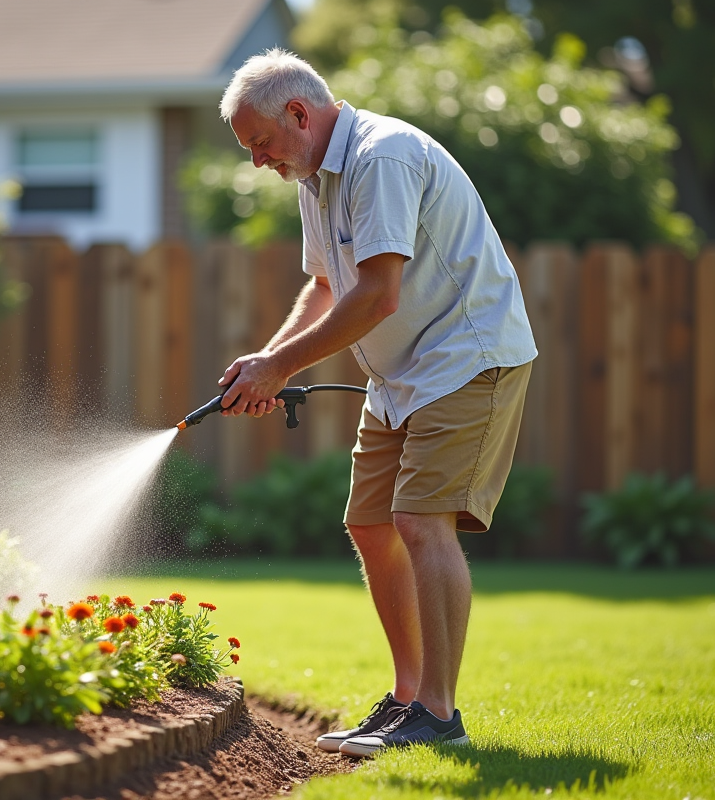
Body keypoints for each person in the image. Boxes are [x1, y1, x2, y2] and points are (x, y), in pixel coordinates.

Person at [215, 49, 537, 757]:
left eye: (260, 143)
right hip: (399, 376)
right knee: (370, 525)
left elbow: (377, 293)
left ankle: (439, 716)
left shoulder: (382, 157)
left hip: (466, 357)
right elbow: (329, 287)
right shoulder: (315, 177)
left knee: (421, 520)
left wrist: (280, 367)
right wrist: (267, 361)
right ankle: (406, 700)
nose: (259, 161)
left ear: (299, 114)